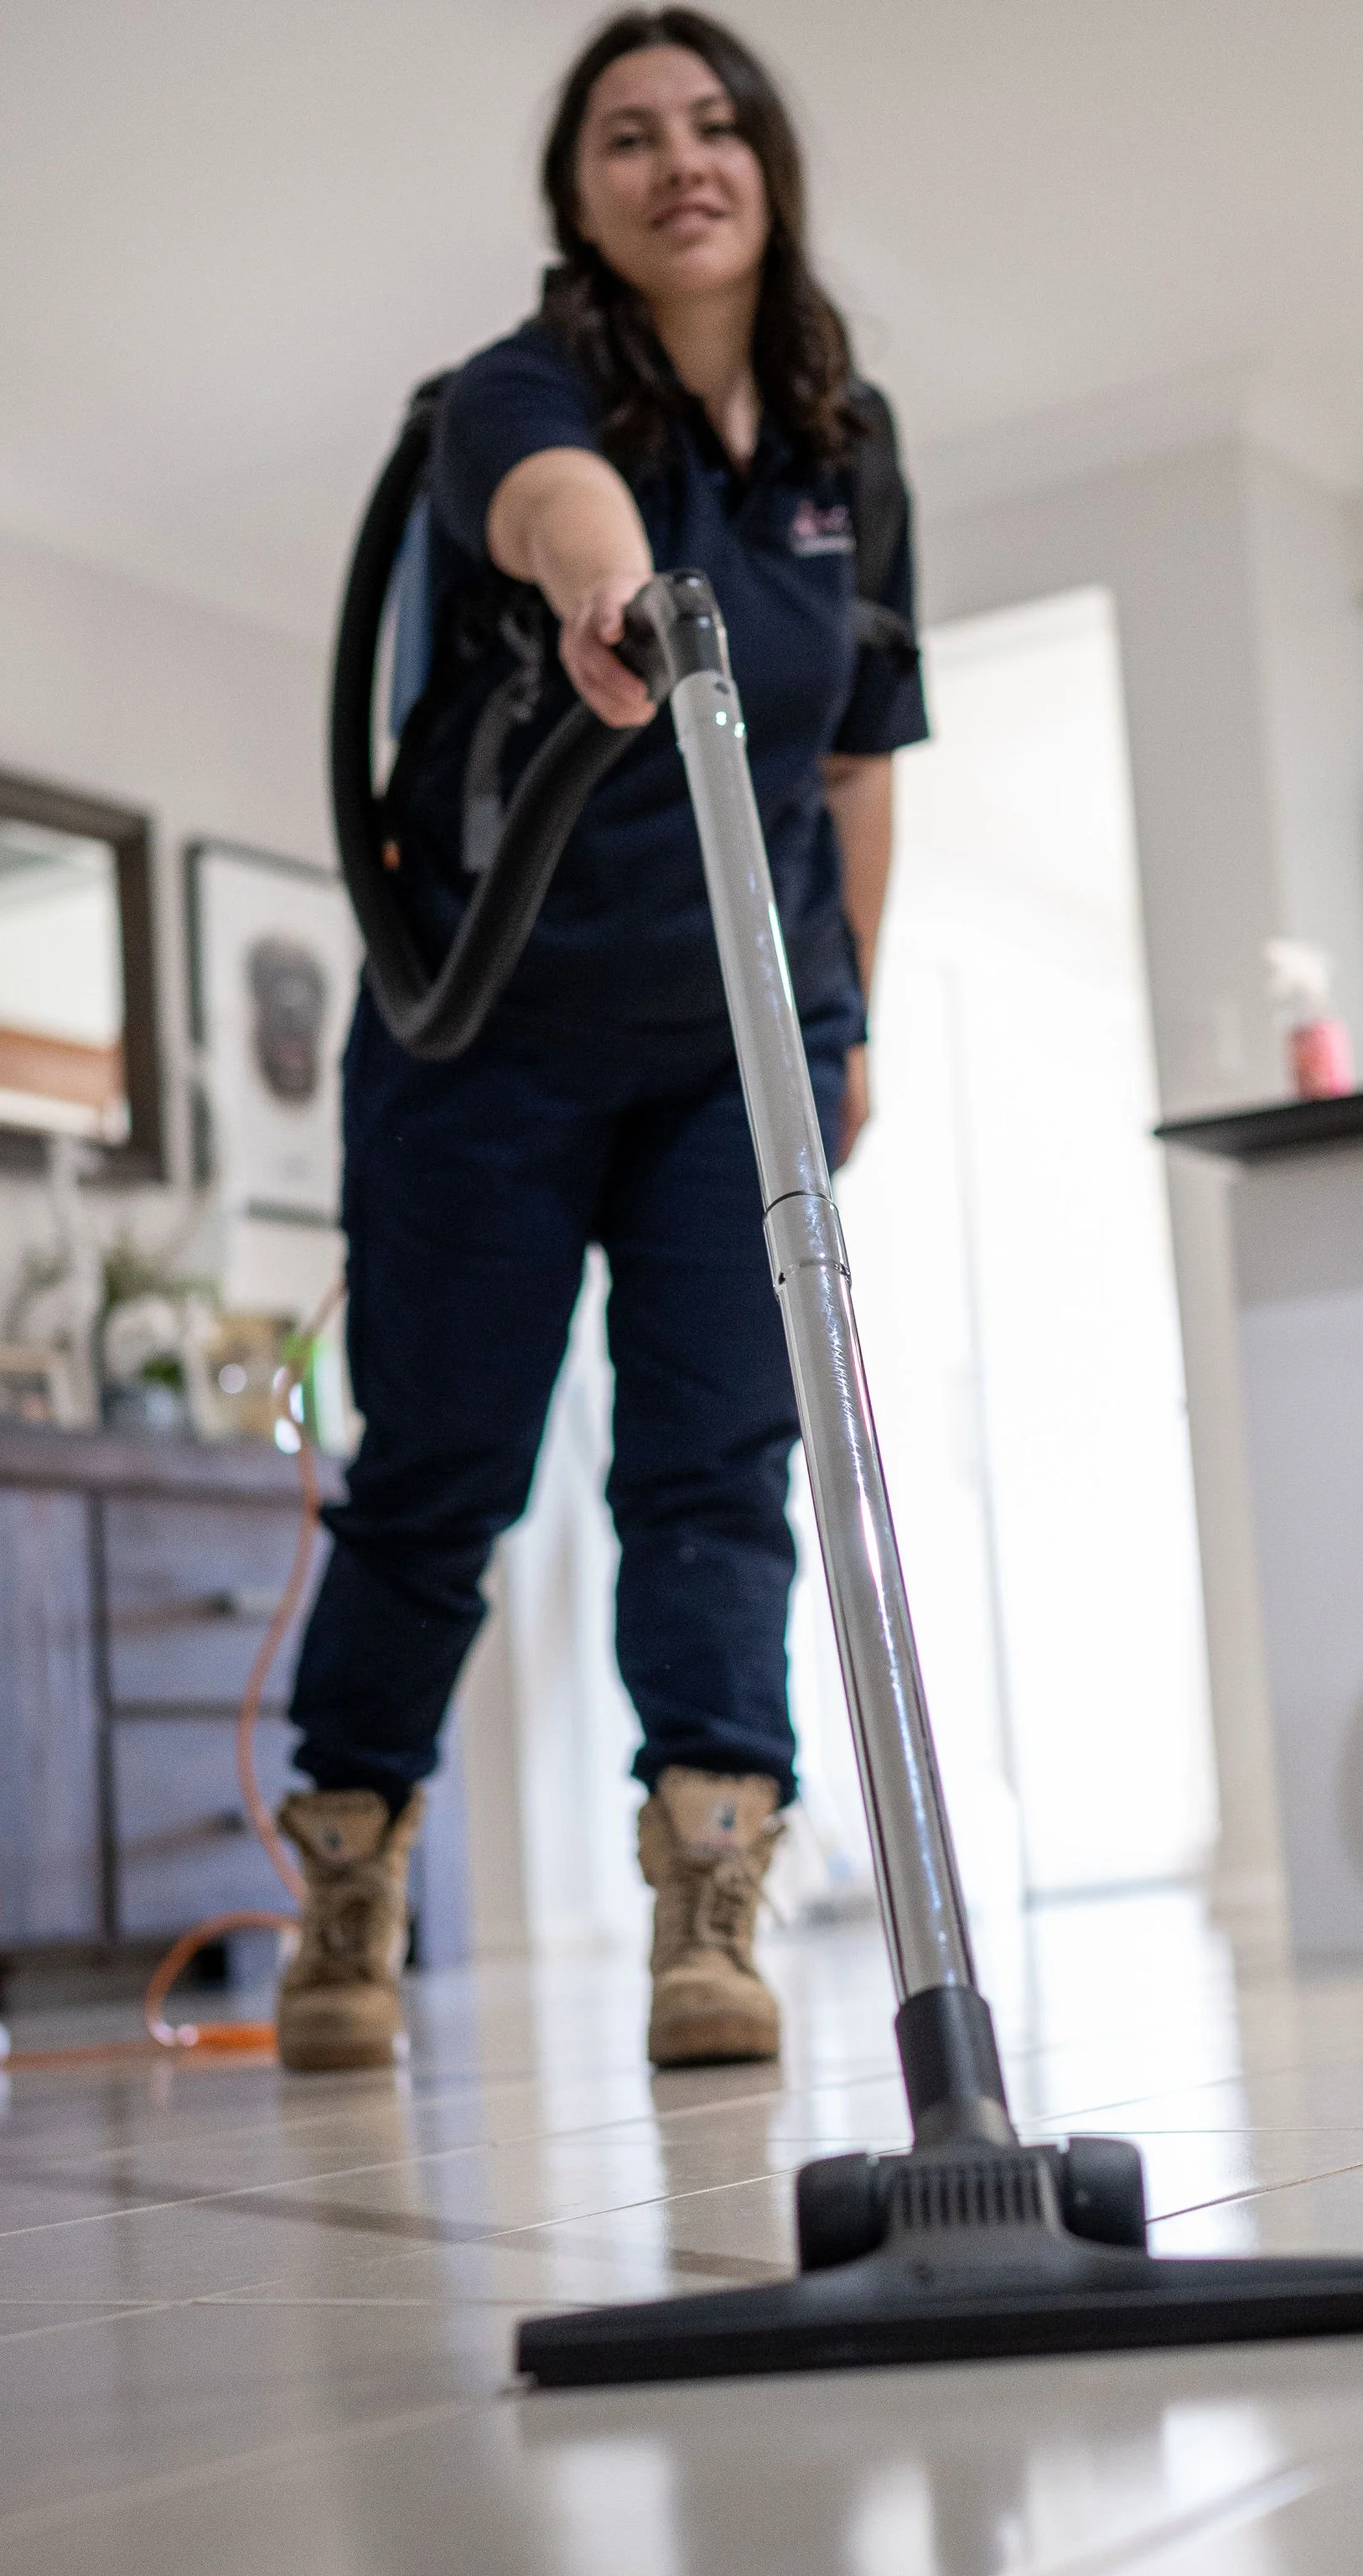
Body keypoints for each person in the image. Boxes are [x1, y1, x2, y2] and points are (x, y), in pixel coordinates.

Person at [274, 8, 927, 2073]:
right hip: (492, 1036)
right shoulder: (519, 391)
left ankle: (711, 1898)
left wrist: (852, 1024)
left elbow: (856, 757)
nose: (681, 161)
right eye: (629, 136)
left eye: (716, 123)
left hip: (741, 1041)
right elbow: (556, 505)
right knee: (439, 1477)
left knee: (718, 1466)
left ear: (771, 162)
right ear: (581, 193)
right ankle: (351, 1882)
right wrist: (614, 593)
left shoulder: (846, 447)